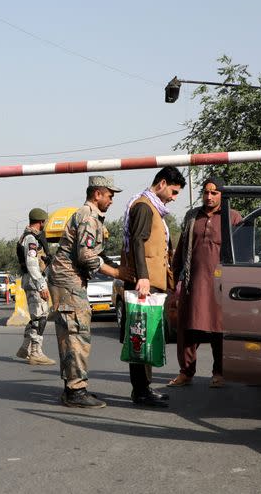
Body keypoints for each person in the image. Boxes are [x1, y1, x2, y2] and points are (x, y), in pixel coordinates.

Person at [47, 176, 124, 408]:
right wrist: (117, 273)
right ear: (97, 194)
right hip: (68, 281)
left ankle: (73, 387)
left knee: (73, 334)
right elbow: (87, 256)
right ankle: (75, 391)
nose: (111, 200)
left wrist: (117, 267)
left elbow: (95, 253)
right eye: (110, 195)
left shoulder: (91, 217)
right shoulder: (88, 217)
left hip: (69, 280)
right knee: (76, 334)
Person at [121, 166, 186, 407]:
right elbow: (137, 241)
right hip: (144, 284)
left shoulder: (153, 209)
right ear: (162, 183)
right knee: (140, 337)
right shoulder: (143, 206)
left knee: (146, 337)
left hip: (151, 284)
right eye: (174, 191)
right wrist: (143, 277)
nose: (174, 197)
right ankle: (140, 391)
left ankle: (145, 388)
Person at [168, 177, 241, 389]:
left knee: (219, 330)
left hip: (221, 285)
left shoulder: (233, 217)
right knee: (187, 329)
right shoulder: (193, 217)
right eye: (206, 192)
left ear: (222, 195)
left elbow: (243, 251)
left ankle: (219, 373)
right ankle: (186, 373)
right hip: (194, 283)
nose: (209, 197)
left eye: (214, 193)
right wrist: (175, 283)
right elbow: (181, 252)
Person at [15, 208, 56, 365]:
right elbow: (32, 264)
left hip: (30, 280)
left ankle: (25, 348)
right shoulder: (31, 239)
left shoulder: (26, 236)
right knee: (40, 317)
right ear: (41, 222)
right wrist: (41, 285)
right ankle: (36, 352)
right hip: (34, 281)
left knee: (37, 316)